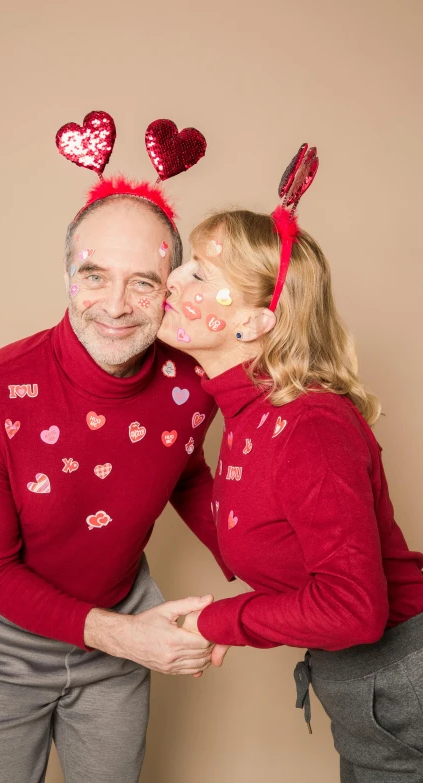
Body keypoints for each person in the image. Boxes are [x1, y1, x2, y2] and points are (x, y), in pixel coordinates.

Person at [0, 144, 235, 782]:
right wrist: (128, 638)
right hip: (1, 649)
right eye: (95, 274)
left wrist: (259, 566)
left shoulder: (192, 383)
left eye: (144, 281)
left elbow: (182, 468)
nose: (117, 304)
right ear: (66, 275)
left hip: (120, 638)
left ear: (171, 291)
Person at [156, 150, 423, 781]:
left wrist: (214, 620)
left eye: (198, 274)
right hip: (368, 683)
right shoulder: (253, 419)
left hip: (403, 676)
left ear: (256, 321)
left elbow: (354, 609)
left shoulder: (309, 424)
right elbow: (253, 535)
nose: (171, 281)